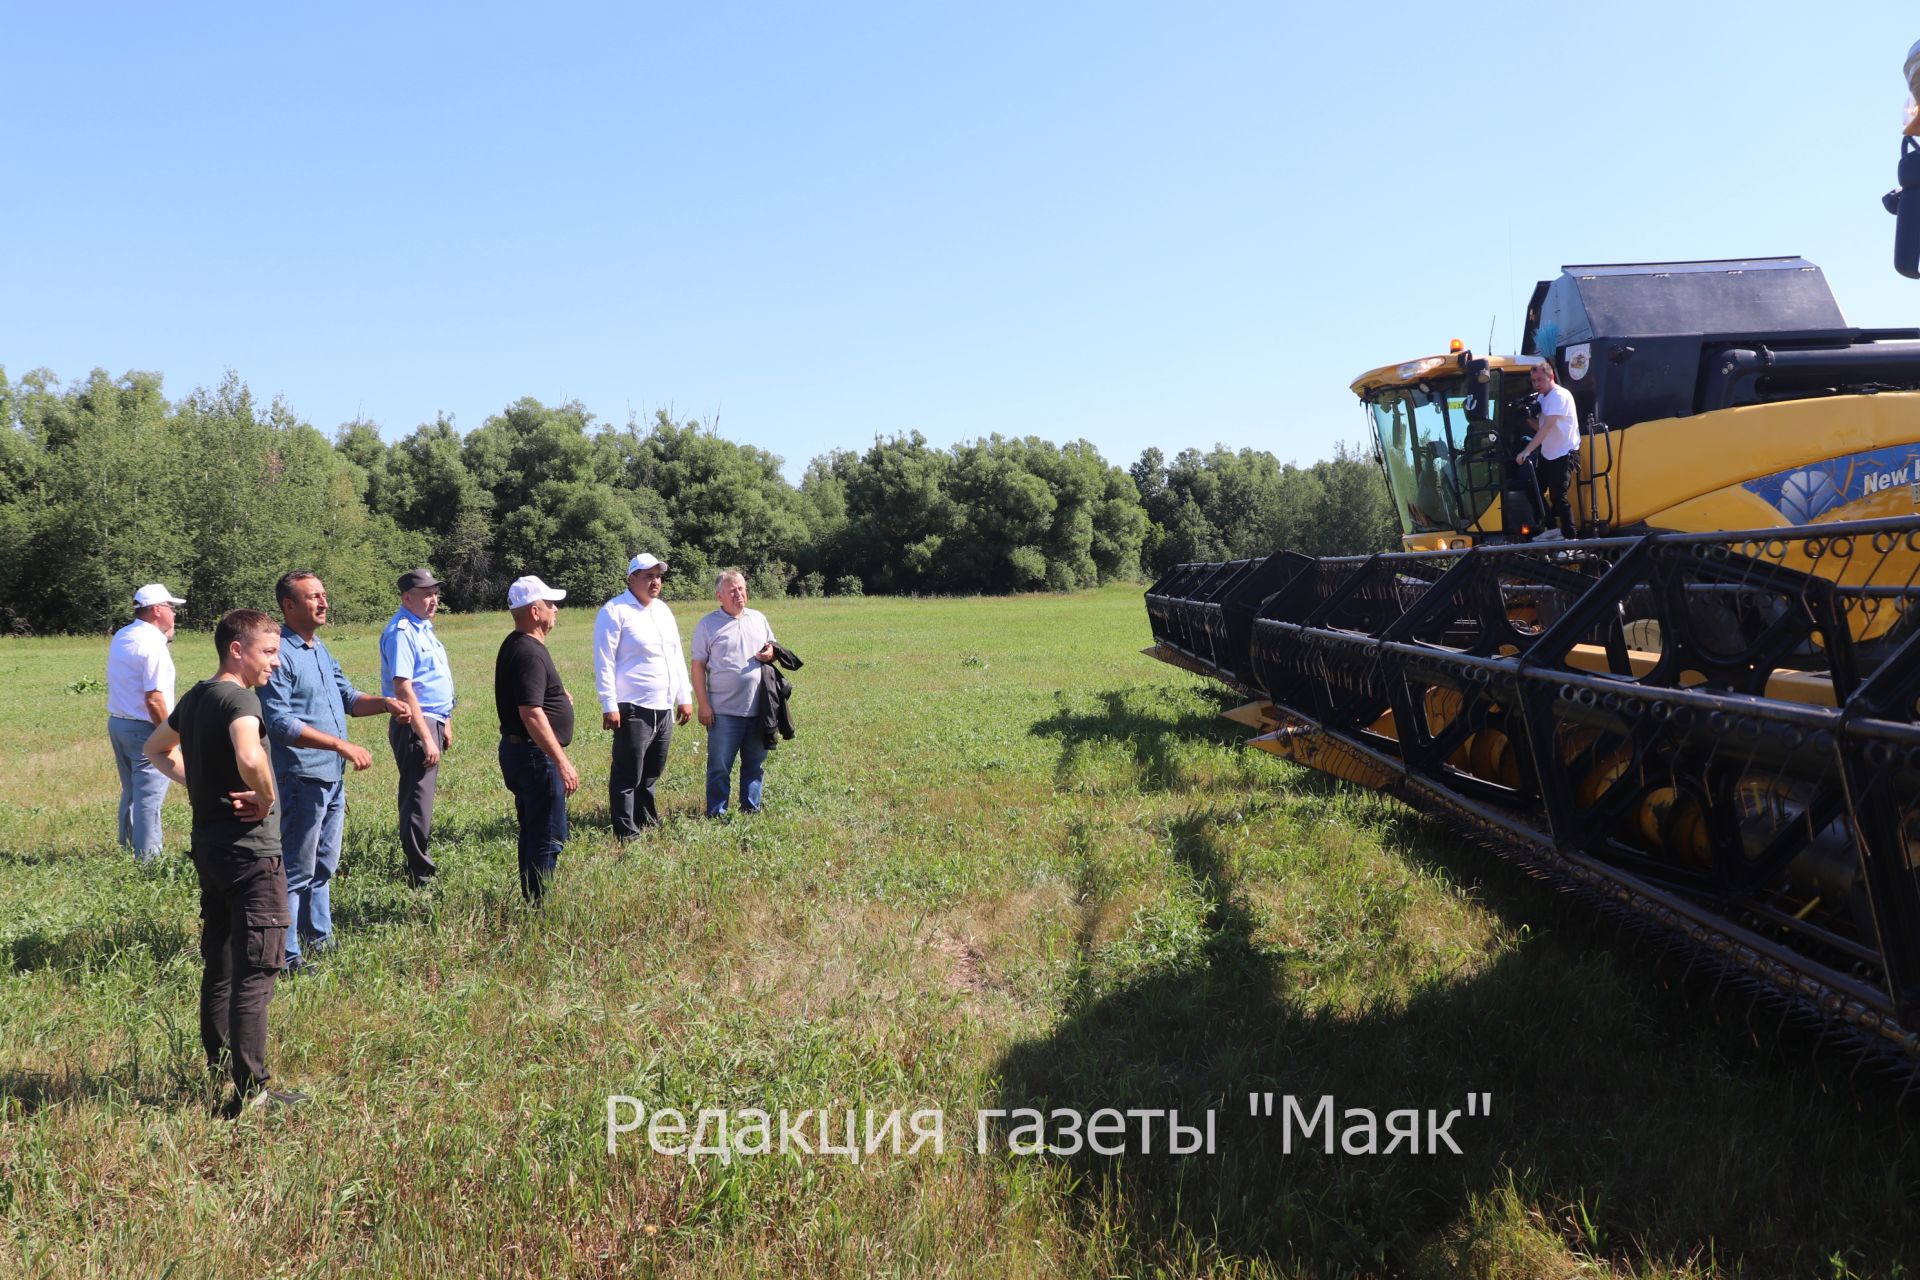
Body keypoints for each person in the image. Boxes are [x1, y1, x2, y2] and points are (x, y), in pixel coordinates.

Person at [143, 608, 304, 1114]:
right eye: (269, 652)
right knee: (257, 968)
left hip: (210, 848)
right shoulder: (240, 698)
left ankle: (218, 1075)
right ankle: (251, 1091)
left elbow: (156, 748)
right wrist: (268, 797)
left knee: (222, 962)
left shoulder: (194, 697)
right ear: (237, 649)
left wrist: (200, 784)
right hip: (251, 854)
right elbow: (250, 755)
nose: (275, 663)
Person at [259, 572, 410, 969]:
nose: (324, 602)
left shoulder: (319, 648)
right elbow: (279, 723)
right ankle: (287, 954)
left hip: (331, 776)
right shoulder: (279, 655)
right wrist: (340, 745)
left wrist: (385, 703)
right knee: (296, 867)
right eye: (313, 597)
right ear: (289, 606)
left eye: (325, 595)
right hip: (300, 777)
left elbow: (348, 697)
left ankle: (318, 939)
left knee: (325, 863)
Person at [592, 554, 692, 837]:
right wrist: (609, 704)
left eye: (658, 576)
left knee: (651, 773)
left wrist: (684, 695)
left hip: (664, 707)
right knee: (628, 773)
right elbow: (604, 661)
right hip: (633, 706)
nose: (655, 582)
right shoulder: (614, 611)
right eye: (648, 576)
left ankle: (646, 819)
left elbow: (676, 655)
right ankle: (625, 830)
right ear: (631, 579)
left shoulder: (662, 611)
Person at [495, 576, 578, 902]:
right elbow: (530, 713)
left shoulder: (516, 643)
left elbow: (530, 697)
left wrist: (557, 697)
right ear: (534, 610)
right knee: (547, 835)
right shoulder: (529, 652)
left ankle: (533, 900)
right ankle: (539, 907)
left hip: (522, 753)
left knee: (532, 830)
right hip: (536, 757)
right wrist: (562, 761)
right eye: (550, 603)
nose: (555, 609)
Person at [380, 567, 456, 886]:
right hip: (415, 723)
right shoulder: (402, 632)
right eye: (426, 594)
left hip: (432, 720)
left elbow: (433, 680)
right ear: (406, 598)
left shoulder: (423, 628)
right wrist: (426, 736)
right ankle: (419, 874)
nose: (433, 599)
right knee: (416, 801)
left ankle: (420, 865)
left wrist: (446, 721)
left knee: (422, 798)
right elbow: (404, 688)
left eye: (435, 593)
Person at [106, 583, 185, 863]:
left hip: (119, 724)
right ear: (157, 610)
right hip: (145, 728)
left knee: (131, 791)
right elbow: (154, 699)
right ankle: (149, 861)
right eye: (171, 608)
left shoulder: (123, 635)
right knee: (149, 797)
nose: (174, 614)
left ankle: (129, 848)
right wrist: (170, 735)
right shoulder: (153, 644)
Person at [690, 569, 778, 818]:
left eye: (741, 589)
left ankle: (751, 809)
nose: (739, 594)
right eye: (732, 591)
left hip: (758, 709)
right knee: (719, 767)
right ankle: (717, 813)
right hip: (723, 712)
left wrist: (770, 653)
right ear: (720, 596)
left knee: (755, 765)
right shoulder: (708, 625)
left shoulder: (758, 618)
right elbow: (697, 666)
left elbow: (772, 647)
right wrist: (703, 704)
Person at [1515, 360, 1581, 539]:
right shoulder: (1542, 397)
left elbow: (1547, 428)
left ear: (1551, 376)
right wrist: (1526, 416)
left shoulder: (1560, 396)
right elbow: (1540, 427)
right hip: (1548, 454)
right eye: (1534, 381)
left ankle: (1570, 537)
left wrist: (1526, 451)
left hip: (1564, 453)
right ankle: (1551, 527)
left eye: (1540, 380)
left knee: (1558, 496)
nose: (1536, 384)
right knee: (1532, 490)